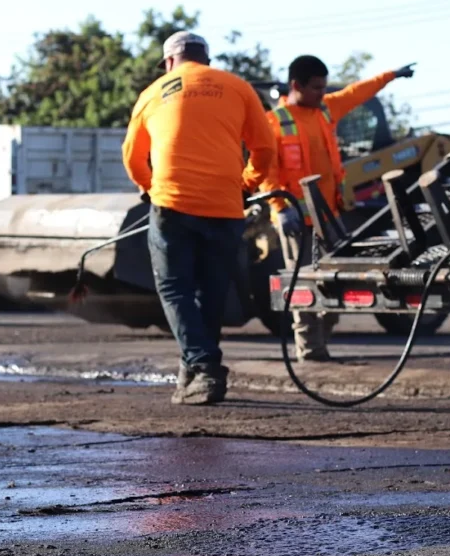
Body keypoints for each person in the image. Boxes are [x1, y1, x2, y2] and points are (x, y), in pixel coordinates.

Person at [122, 31, 275, 406]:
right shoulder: (237, 87)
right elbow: (266, 147)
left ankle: (204, 367)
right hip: (224, 206)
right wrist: (246, 185)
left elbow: (131, 156)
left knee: (175, 289)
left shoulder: (154, 92)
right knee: (212, 290)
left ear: (170, 61)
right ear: (204, 59)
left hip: (172, 204)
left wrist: (147, 186)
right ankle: (194, 372)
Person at [251, 55, 415, 362]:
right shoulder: (275, 122)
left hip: (329, 218)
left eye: (324, 88)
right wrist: (280, 208)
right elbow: (266, 171)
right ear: (296, 86)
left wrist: (391, 75)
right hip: (296, 220)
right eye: (315, 88)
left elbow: (357, 92)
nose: (321, 94)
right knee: (301, 286)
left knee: (333, 284)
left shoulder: (325, 109)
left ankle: (320, 344)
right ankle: (310, 351)